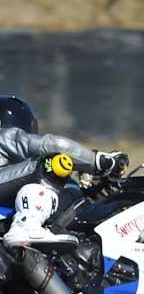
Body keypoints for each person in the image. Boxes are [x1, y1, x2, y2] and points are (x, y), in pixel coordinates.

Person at [0, 95, 128, 249]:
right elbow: (53, 145)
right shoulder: (6, 136)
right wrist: (100, 162)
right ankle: (26, 226)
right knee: (51, 162)